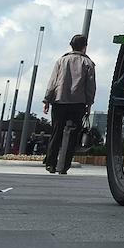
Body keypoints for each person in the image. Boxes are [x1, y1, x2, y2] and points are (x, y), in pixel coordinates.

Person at [43, 34, 96, 174]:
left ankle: (51, 164)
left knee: (56, 132)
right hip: (78, 103)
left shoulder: (61, 61)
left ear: (71, 45)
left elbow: (52, 82)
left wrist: (47, 100)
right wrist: (89, 104)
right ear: (85, 47)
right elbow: (90, 86)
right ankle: (64, 166)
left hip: (60, 100)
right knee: (72, 135)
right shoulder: (88, 63)